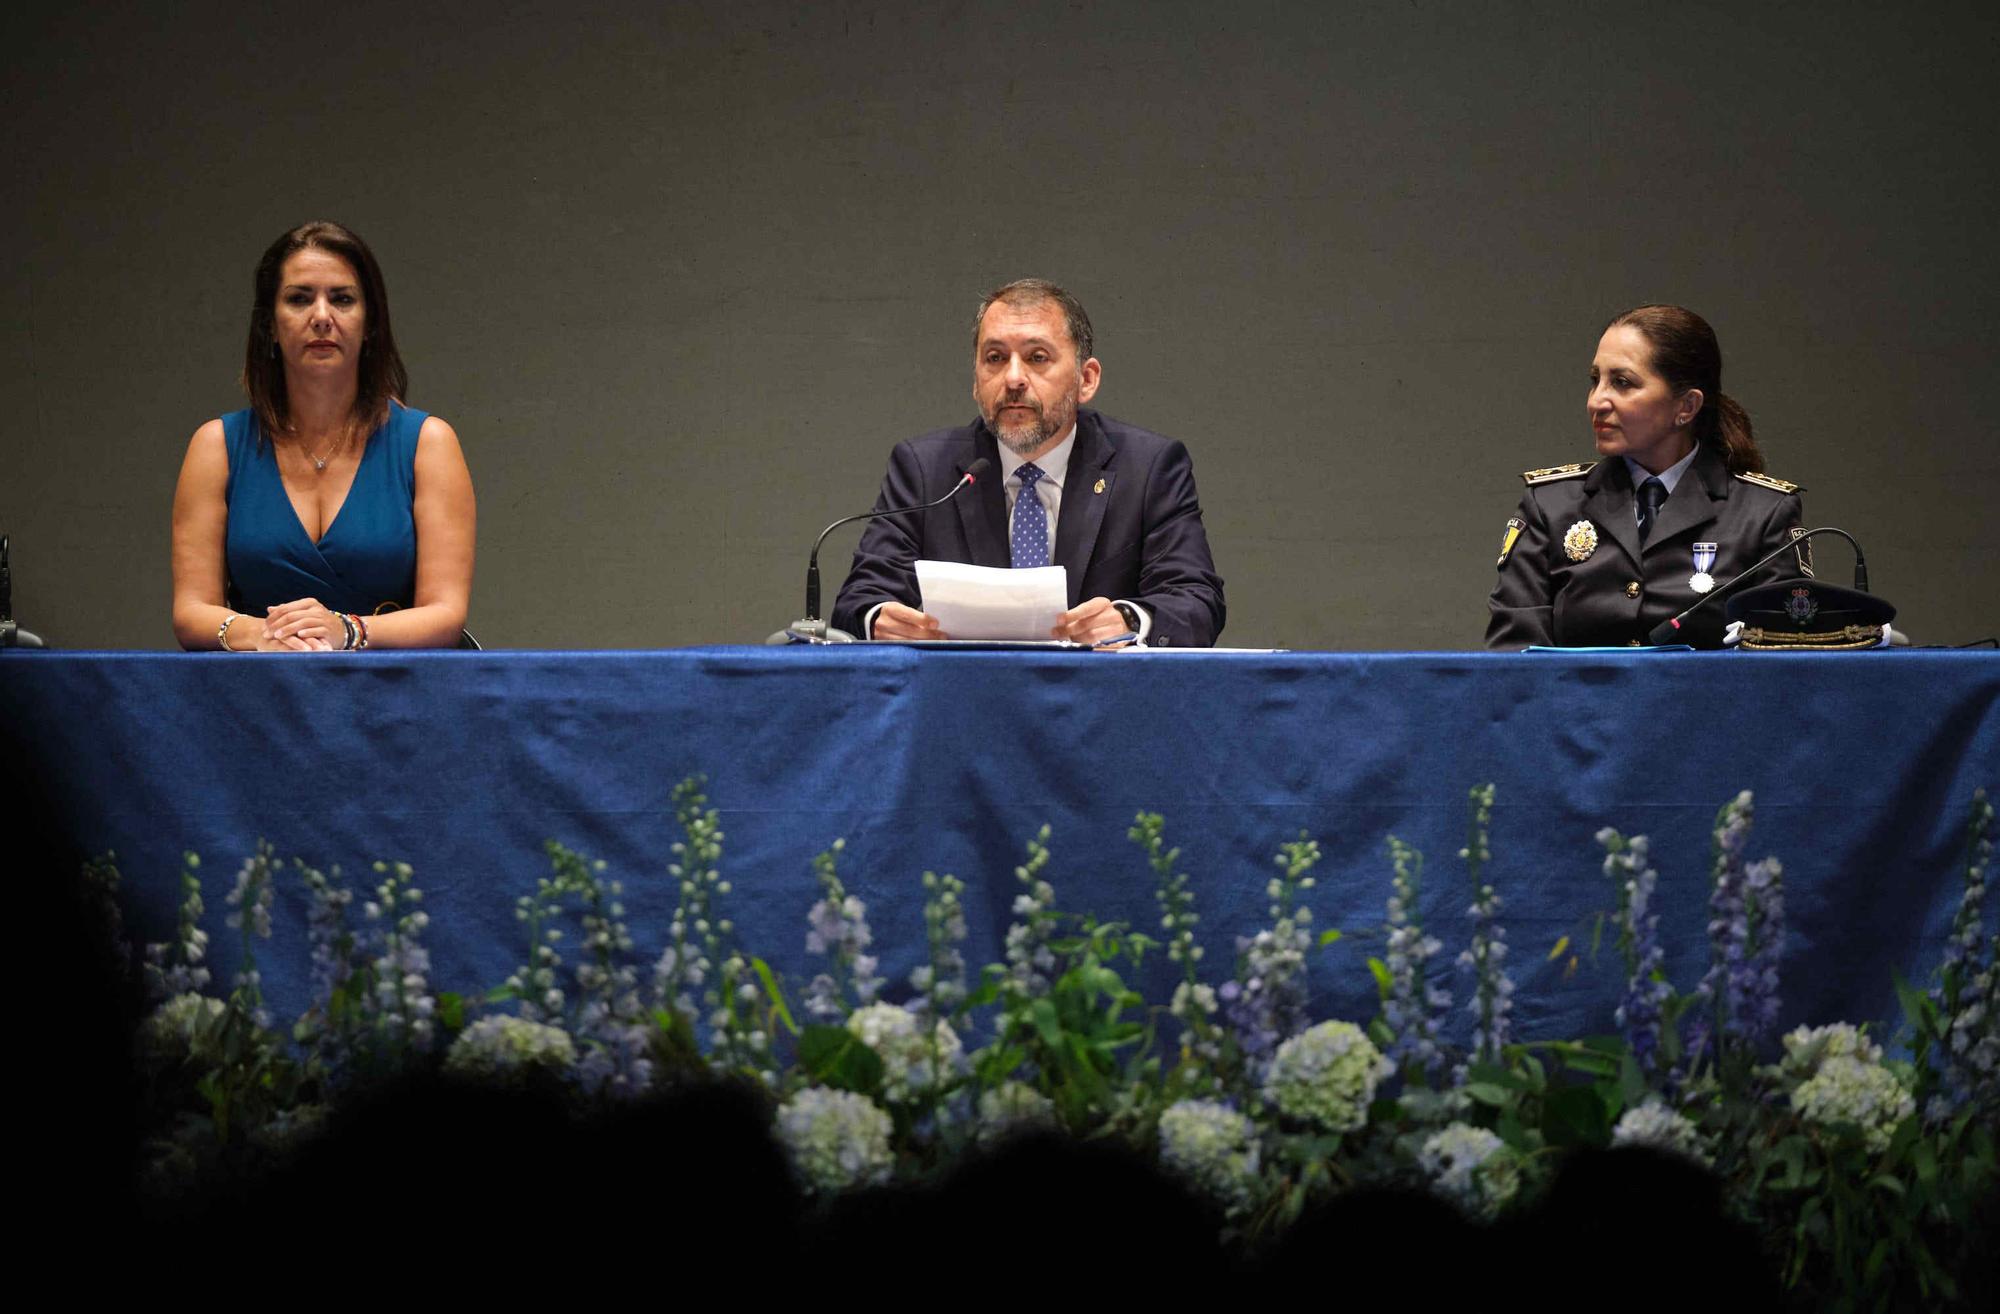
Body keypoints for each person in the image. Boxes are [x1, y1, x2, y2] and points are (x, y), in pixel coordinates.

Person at [832, 279, 1224, 647]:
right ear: (975, 381)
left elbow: (1196, 600)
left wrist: (1129, 621)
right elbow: (859, 600)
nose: (1013, 378)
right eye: (995, 358)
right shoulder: (924, 468)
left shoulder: (1148, 467)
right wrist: (880, 619)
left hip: (1097, 706)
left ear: (1085, 379)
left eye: (1037, 358)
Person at [171, 221, 475, 651]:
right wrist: (261, 633)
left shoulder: (428, 443)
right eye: (298, 299)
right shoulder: (216, 446)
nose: (321, 316)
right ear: (270, 326)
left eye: (342, 299)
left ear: (370, 323)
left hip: (398, 698)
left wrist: (347, 630)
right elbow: (190, 611)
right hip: (257, 693)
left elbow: (445, 614)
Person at [1486, 304, 1809, 649]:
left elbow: (1781, 661)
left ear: (1686, 407)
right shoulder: (1549, 506)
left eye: (1622, 383)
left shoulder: (1763, 513)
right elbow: (1513, 658)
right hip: (1574, 703)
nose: (1597, 401)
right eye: (1596, 381)